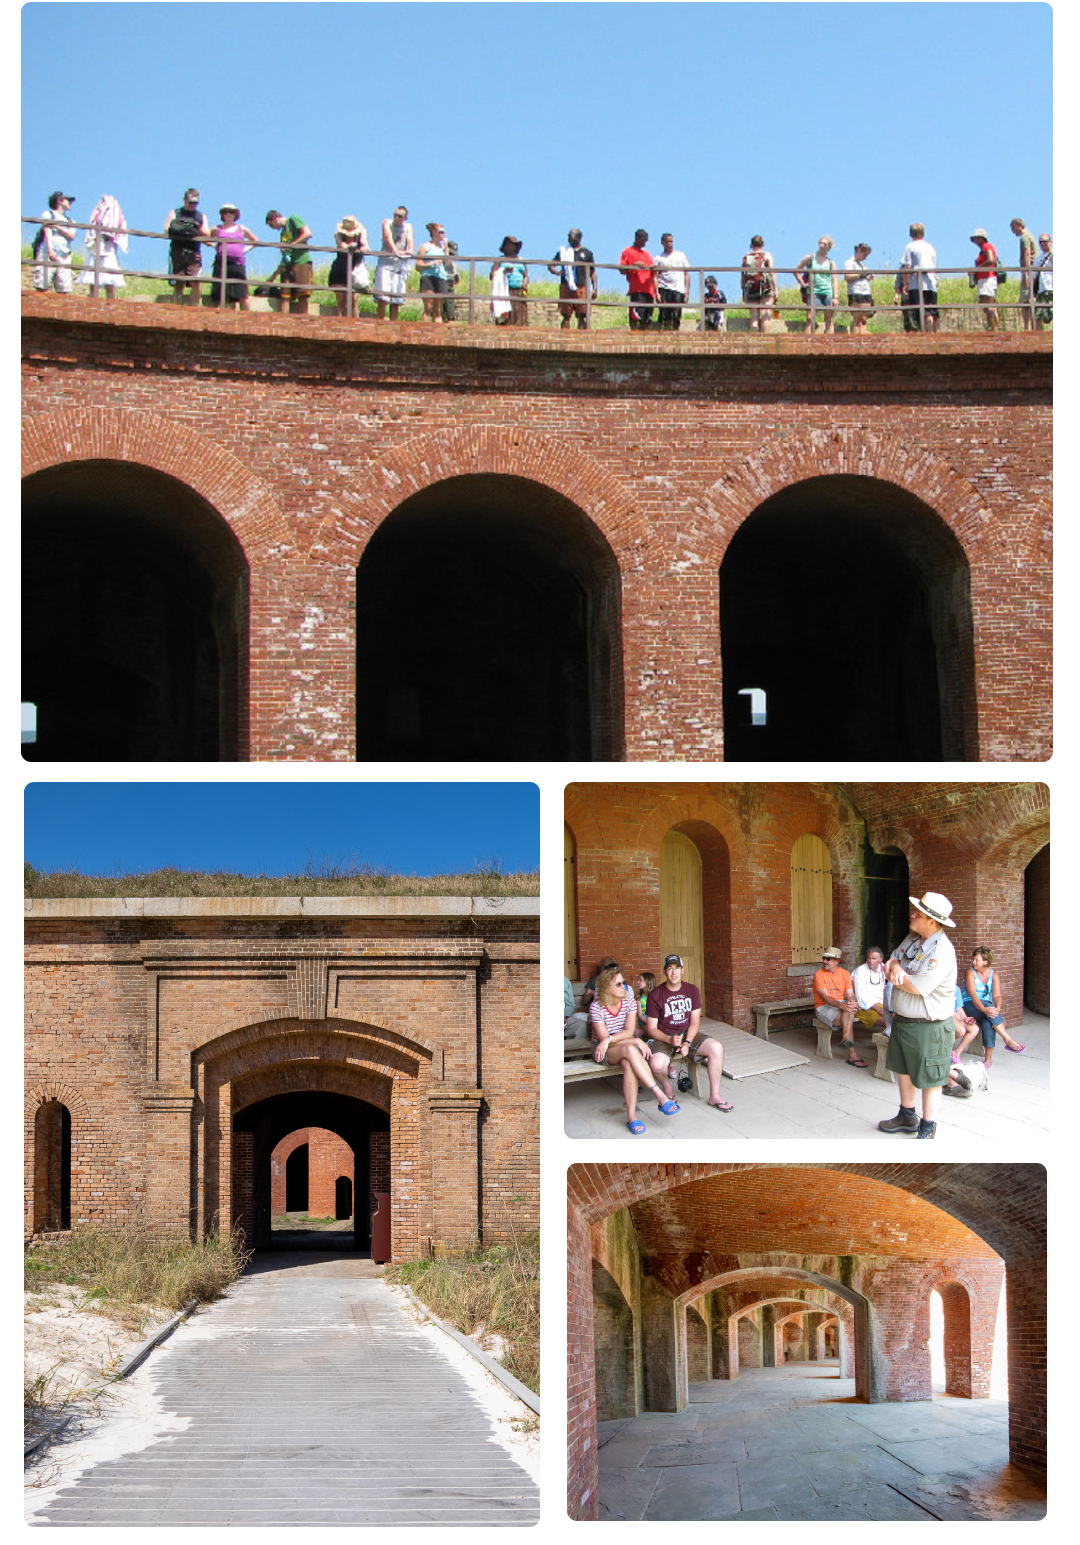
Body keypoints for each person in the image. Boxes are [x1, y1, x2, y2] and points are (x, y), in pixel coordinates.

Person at [878, 892, 958, 1139]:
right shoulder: (914, 937)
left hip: (929, 1026)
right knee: (903, 1069)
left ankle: (928, 1126)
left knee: (930, 1076)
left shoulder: (941, 951)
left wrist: (893, 972)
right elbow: (892, 959)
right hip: (904, 1021)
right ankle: (907, 1115)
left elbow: (916, 986)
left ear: (932, 921)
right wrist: (896, 968)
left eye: (918, 914)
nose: (912, 915)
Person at [589, 965, 680, 1134]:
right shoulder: (596, 1007)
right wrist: (633, 1041)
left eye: (623, 983)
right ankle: (660, 1096)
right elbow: (604, 1040)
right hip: (604, 1050)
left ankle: (632, 1117)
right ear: (605, 988)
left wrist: (633, 1039)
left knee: (629, 1061)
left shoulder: (629, 1001)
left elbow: (629, 1031)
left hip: (622, 1044)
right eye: (617, 984)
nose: (623, 987)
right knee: (631, 1050)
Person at [645, 955, 733, 1113]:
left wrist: (687, 1042)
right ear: (664, 971)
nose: (674, 972)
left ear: (682, 970)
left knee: (716, 1047)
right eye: (670, 968)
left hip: (687, 1034)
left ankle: (715, 1096)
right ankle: (669, 1091)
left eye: (677, 968)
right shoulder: (655, 995)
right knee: (656, 1064)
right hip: (664, 1036)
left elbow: (694, 1022)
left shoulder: (692, 990)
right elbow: (651, 1028)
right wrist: (668, 1039)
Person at [959, 946, 1025, 1066]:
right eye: (973, 959)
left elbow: (997, 995)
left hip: (986, 1009)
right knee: (987, 1007)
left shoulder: (994, 975)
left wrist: (997, 1008)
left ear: (986, 962)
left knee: (988, 1022)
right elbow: (972, 994)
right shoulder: (970, 972)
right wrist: (984, 1008)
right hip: (969, 1005)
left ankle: (988, 1059)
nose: (973, 962)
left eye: (976, 960)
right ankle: (1007, 1038)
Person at [813, 947, 866, 1066]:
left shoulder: (845, 974)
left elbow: (850, 994)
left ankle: (846, 1038)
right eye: (824, 958)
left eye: (828, 959)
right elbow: (825, 998)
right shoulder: (819, 974)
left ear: (837, 961)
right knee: (847, 1015)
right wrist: (843, 1005)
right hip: (823, 1006)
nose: (824, 961)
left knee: (849, 1009)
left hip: (841, 1004)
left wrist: (852, 1002)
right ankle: (852, 1053)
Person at [164, 188, 211, 306]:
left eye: (195, 203)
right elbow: (166, 229)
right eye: (190, 202)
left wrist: (194, 226)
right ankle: (176, 307)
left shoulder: (200, 216)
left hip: (194, 251)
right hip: (177, 250)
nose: (193, 205)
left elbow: (207, 233)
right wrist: (182, 227)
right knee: (179, 282)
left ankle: (195, 307)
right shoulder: (175, 213)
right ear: (185, 200)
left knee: (195, 281)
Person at [76, 194, 128, 299]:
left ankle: (111, 300)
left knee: (109, 277)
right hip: (96, 248)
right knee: (93, 275)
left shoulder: (114, 216)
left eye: (103, 202)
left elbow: (114, 231)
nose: (101, 204)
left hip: (108, 250)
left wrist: (105, 233)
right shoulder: (96, 214)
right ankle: (93, 299)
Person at [207, 204, 256, 310]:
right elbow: (206, 239)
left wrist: (244, 250)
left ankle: (247, 315)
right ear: (222, 214)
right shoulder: (216, 229)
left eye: (231, 212)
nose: (228, 214)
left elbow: (255, 241)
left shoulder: (241, 228)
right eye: (226, 211)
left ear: (235, 214)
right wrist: (215, 246)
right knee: (220, 292)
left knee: (242, 292)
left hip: (237, 263)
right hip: (221, 263)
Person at [265, 209, 313, 315]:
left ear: (274, 219)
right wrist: (273, 277)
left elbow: (308, 234)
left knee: (302, 294)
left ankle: (303, 321)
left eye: (271, 225)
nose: (274, 229)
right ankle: (284, 320)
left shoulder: (293, 219)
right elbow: (285, 256)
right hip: (288, 265)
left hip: (301, 261)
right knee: (285, 295)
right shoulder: (283, 233)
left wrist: (291, 245)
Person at [894, 222, 939, 333]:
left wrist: (905, 283)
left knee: (922, 311)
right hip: (931, 283)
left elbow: (907, 266)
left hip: (917, 283)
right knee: (932, 310)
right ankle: (935, 334)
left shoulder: (910, 247)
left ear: (911, 234)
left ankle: (927, 335)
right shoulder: (930, 247)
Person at [548, 228, 597, 329]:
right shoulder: (564, 252)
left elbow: (592, 272)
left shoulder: (586, 253)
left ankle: (582, 338)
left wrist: (595, 288)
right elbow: (551, 265)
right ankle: (565, 336)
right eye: (569, 237)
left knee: (583, 314)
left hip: (581, 286)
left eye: (572, 237)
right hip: (566, 286)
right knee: (566, 314)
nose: (569, 239)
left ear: (579, 238)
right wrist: (557, 272)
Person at [374, 205, 415, 321]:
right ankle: (380, 321)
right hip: (386, 263)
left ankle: (393, 324)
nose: (397, 218)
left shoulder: (408, 227)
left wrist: (409, 250)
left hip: (400, 265)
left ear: (405, 217)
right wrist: (395, 251)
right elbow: (387, 236)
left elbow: (410, 241)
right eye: (395, 215)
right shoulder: (387, 223)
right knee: (382, 297)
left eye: (400, 216)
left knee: (396, 298)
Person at [33, 191, 77, 294]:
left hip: (64, 255)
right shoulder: (48, 214)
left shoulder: (70, 221)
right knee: (43, 284)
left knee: (64, 288)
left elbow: (71, 235)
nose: (70, 203)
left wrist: (56, 226)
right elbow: (47, 232)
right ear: (60, 201)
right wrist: (50, 251)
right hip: (47, 253)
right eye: (68, 200)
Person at [328, 215, 370, 317]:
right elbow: (340, 244)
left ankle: (354, 322)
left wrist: (360, 248)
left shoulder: (361, 234)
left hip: (355, 268)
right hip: (341, 267)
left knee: (353, 299)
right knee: (340, 299)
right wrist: (347, 246)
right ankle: (339, 320)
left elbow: (365, 246)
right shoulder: (338, 234)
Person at [795, 236, 839, 333]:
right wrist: (803, 284)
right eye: (820, 243)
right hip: (813, 291)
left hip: (827, 291)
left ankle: (829, 343)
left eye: (825, 244)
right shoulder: (810, 258)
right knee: (810, 318)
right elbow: (796, 270)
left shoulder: (831, 262)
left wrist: (835, 297)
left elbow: (835, 280)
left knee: (829, 319)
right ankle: (808, 342)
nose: (822, 245)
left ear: (829, 247)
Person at [619, 228, 656, 330]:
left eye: (646, 240)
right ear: (637, 238)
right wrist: (633, 265)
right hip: (636, 289)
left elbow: (653, 271)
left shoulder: (647, 254)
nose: (644, 243)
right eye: (643, 240)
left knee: (647, 318)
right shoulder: (628, 251)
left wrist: (654, 268)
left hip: (649, 290)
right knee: (636, 317)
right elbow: (621, 269)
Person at [851, 945, 892, 1035]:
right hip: (865, 1006)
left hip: (882, 1003)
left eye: (874, 958)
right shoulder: (860, 971)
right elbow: (860, 996)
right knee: (888, 1022)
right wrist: (879, 1009)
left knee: (897, 1017)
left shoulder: (884, 968)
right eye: (869, 958)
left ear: (880, 959)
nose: (870, 961)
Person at [740, 234, 776, 332]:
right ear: (762, 244)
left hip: (751, 287)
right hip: (765, 286)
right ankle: (765, 339)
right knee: (766, 313)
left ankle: (754, 341)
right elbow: (772, 273)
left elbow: (743, 276)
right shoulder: (766, 255)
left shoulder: (746, 257)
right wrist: (775, 289)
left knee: (754, 316)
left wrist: (743, 291)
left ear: (751, 245)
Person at [655, 233, 690, 330]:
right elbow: (655, 276)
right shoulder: (658, 258)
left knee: (676, 314)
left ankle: (675, 334)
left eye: (671, 241)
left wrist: (687, 291)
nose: (669, 243)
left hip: (678, 289)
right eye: (667, 241)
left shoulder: (680, 256)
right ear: (662, 243)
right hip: (664, 288)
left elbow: (686, 273)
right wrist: (656, 292)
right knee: (664, 315)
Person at [416, 220, 448, 323]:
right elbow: (418, 265)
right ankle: (424, 330)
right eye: (440, 232)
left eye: (444, 232)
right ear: (434, 232)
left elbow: (447, 264)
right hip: (428, 276)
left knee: (438, 309)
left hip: (441, 277)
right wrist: (431, 263)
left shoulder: (443, 248)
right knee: (428, 307)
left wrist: (447, 248)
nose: (443, 234)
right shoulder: (425, 246)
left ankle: (438, 333)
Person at [969, 228, 1000, 331]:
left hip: (987, 278)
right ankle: (993, 327)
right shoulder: (983, 249)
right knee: (988, 305)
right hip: (985, 278)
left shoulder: (987, 246)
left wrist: (977, 269)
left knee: (988, 305)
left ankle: (993, 328)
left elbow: (991, 260)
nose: (975, 241)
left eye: (977, 238)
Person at [1010, 217, 1037, 331]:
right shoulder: (1030, 235)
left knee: (1026, 300)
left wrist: (1026, 273)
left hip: (1029, 271)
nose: (1013, 231)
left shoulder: (1024, 237)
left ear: (1018, 225)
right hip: (1033, 271)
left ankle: (1027, 328)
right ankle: (1031, 326)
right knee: (1030, 299)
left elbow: (1027, 254)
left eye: (1013, 228)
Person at [494, 236, 528, 326]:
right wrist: (503, 272)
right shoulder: (500, 260)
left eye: (512, 245)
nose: (510, 247)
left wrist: (525, 283)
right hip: (505, 289)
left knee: (519, 311)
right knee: (506, 312)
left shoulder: (521, 260)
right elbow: (492, 275)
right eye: (508, 245)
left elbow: (526, 276)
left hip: (518, 289)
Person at [843, 242, 874, 334]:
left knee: (864, 318)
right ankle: (855, 339)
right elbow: (847, 277)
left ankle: (863, 339)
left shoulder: (863, 265)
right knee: (857, 318)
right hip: (856, 291)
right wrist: (860, 274)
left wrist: (869, 277)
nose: (865, 257)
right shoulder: (849, 262)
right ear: (859, 251)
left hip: (866, 291)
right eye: (864, 254)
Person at [1033, 232, 1052, 330]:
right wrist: (1032, 293)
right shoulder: (1038, 259)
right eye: (1041, 242)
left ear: (1050, 242)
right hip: (1042, 290)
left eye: (1045, 241)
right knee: (1038, 316)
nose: (1043, 244)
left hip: (1052, 289)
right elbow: (1034, 277)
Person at [442, 240, 460, 322]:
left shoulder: (453, 264)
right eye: (450, 254)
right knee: (446, 300)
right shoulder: (442, 259)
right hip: (443, 279)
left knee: (450, 300)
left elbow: (457, 277)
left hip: (450, 281)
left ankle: (450, 317)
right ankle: (447, 316)